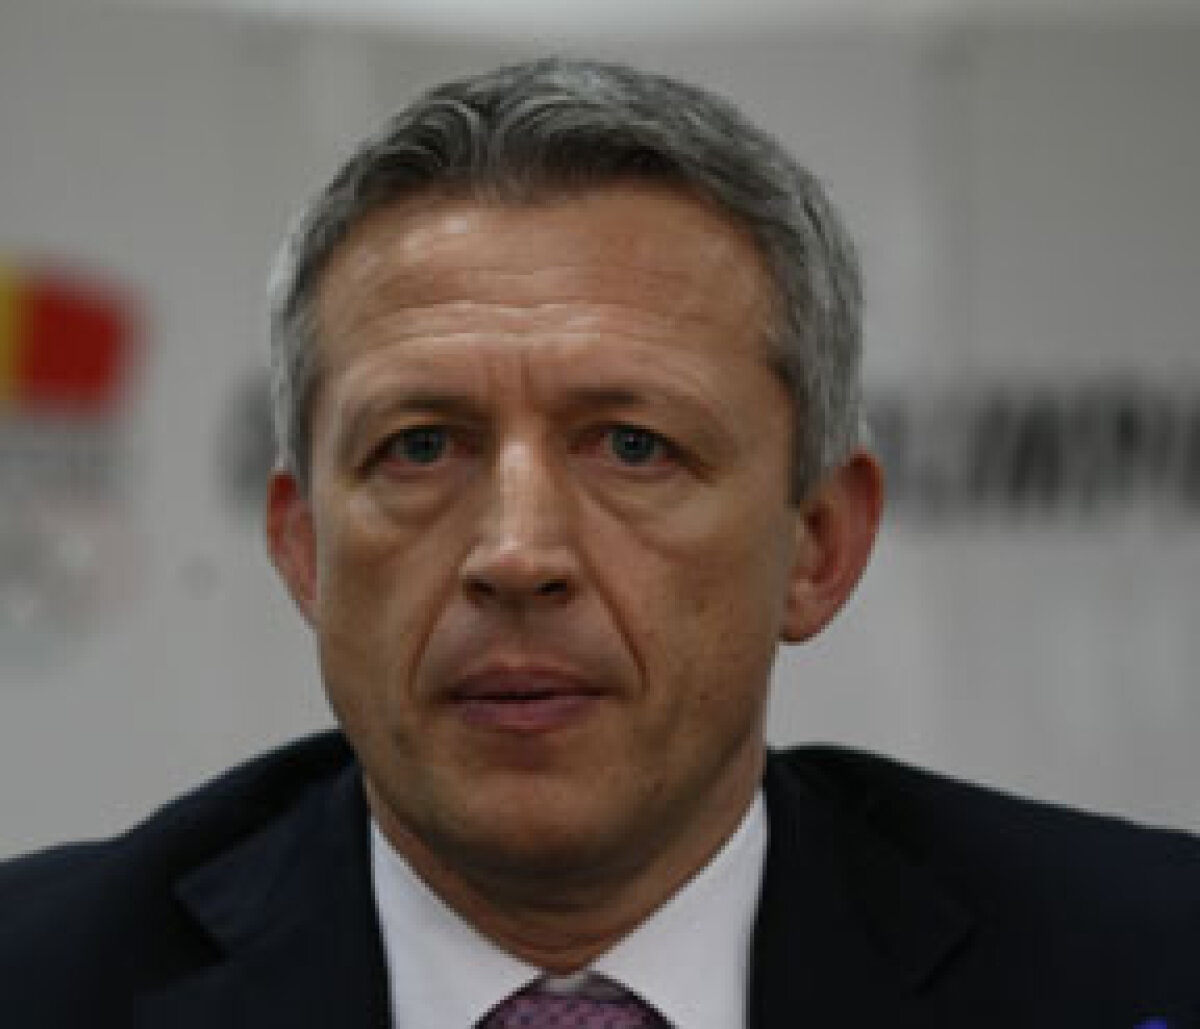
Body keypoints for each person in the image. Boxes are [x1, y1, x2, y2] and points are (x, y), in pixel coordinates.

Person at [1, 57, 1198, 1028]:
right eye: (421, 447)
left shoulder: (1148, 966)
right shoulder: (40, 980)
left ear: (820, 544)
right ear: (305, 549)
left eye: (633, 445)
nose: (517, 553)